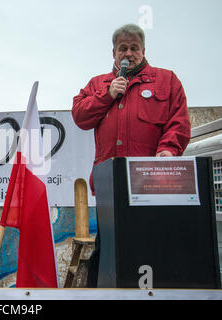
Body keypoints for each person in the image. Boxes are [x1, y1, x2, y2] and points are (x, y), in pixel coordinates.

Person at [71, 24, 191, 287]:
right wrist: (108, 94)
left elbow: (178, 122)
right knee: (108, 249)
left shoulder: (167, 81)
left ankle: (153, 292)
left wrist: (168, 150)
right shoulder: (98, 84)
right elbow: (80, 116)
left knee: (151, 245)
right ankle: (101, 294)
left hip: (151, 184)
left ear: (143, 50)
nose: (128, 53)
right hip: (109, 186)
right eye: (122, 48)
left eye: (133, 48)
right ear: (113, 53)